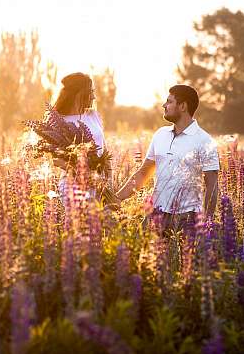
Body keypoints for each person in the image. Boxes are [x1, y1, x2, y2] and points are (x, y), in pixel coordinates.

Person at [115, 84, 219, 235]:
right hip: (156, 213)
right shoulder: (160, 135)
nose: (164, 105)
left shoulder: (204, 141)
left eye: (169, 102)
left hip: (187, 218)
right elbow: (144, 173)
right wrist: (117, 198)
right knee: (143, 255)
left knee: (182, 259)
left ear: (183, 106)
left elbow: (212, 186)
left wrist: (206, 223)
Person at [52, 72, 106, 201]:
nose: (93, 97)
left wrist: (106, 178)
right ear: (79, 93)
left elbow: (105, 149)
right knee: (76, 221)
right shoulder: (59, 121)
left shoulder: (93, 115)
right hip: (72, 187)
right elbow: (56, 160)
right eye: (90, 92)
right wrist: (85, 175)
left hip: (99, 184)